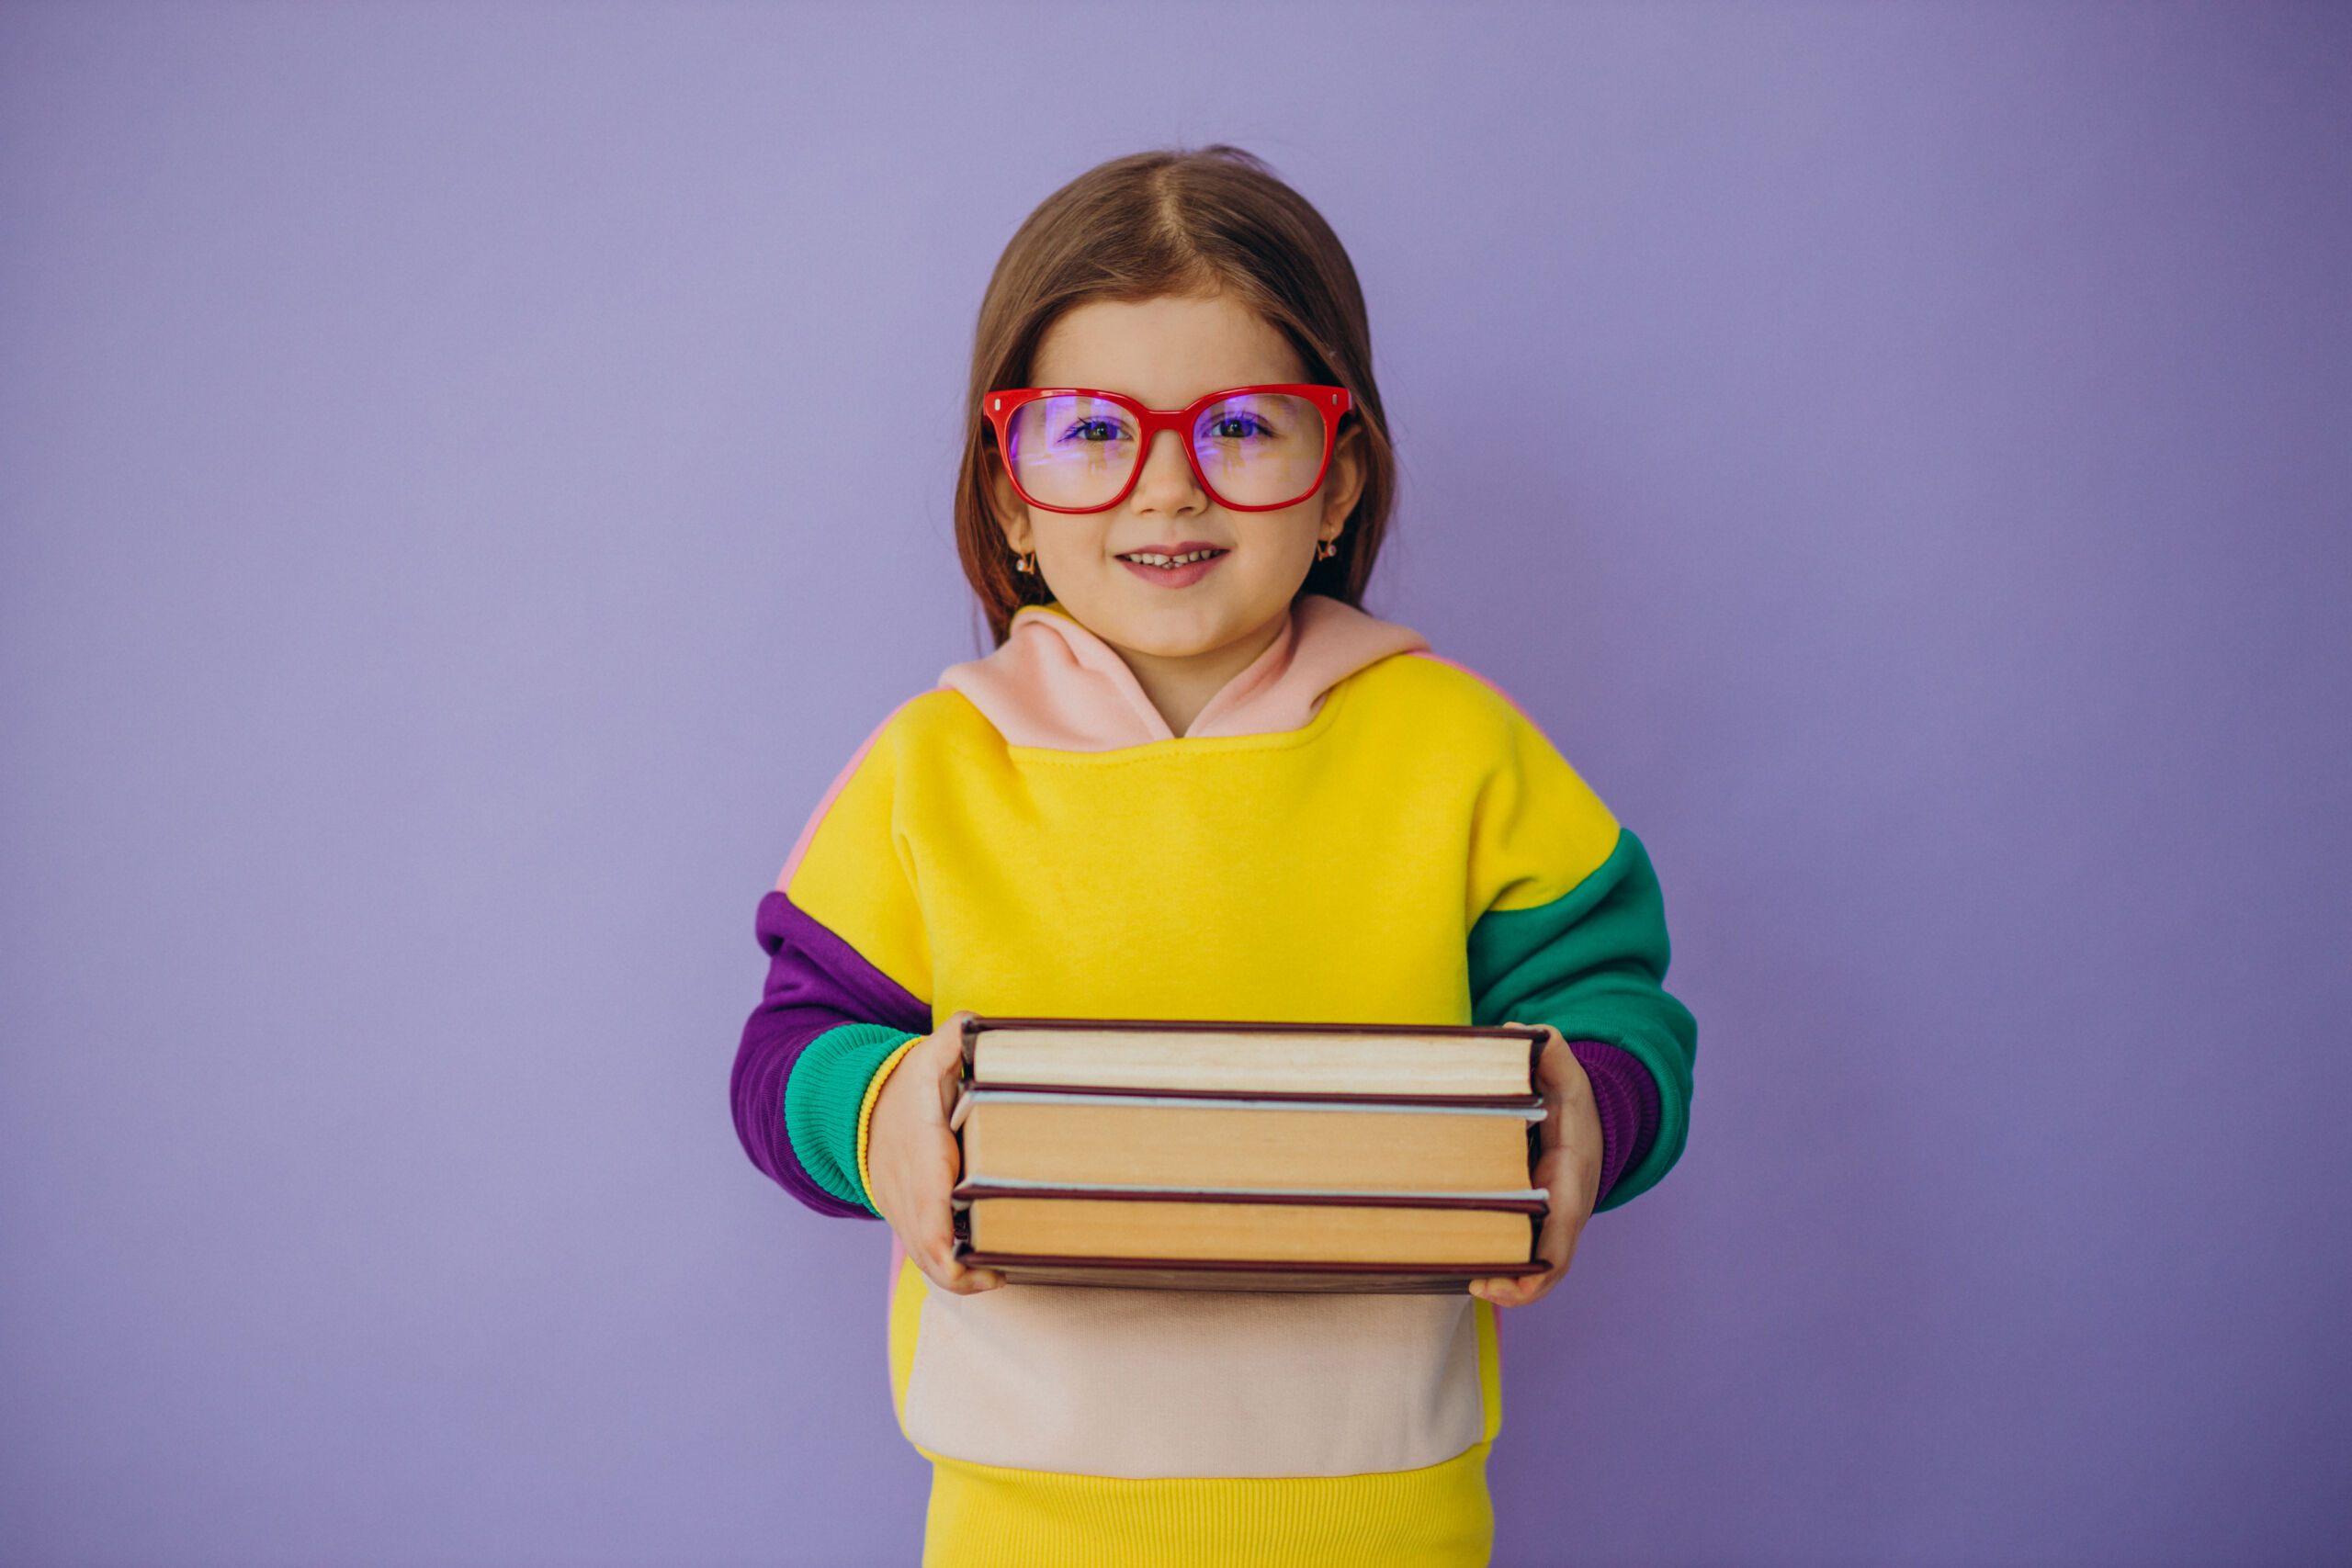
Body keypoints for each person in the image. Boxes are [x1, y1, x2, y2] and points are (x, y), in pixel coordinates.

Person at [731, 145, 1696, 1567]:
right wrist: (875, 1115)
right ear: (1009, 495)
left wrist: (1589, 1109)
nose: (1168, 488)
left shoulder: (1457, 747)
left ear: (1339, 478)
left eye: (1244, 427)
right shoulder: (931, 769)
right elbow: (787, 1052)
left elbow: (1620, 1005)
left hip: (1386, 1503)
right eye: (1088, 430)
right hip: (1022, 1514)